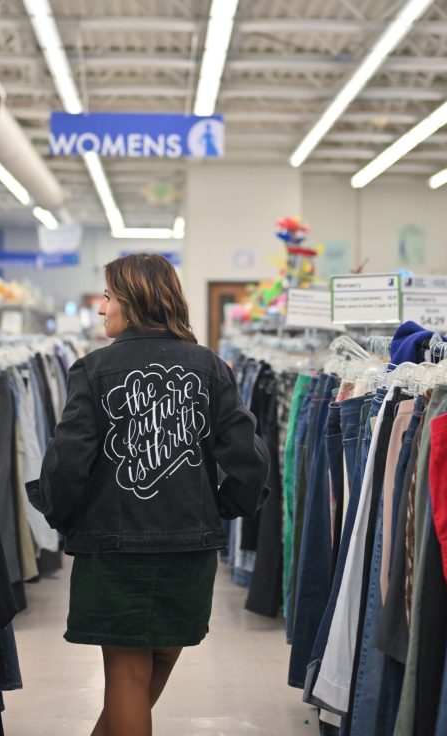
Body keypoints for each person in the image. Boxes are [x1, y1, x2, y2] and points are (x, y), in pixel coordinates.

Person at [27, 253, 270, 736]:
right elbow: (250, 456)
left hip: (113, 549)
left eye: (109, 296)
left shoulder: (92, 370)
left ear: (135, 301)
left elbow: (68, 459)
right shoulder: (210, 367)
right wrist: (222, 508)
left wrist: (57, 513)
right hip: (189, 546)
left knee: (127, 674)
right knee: (152, 666)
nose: (101, 308)